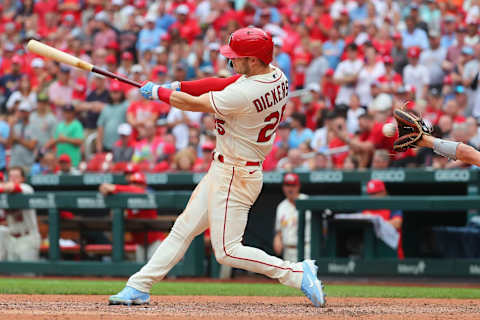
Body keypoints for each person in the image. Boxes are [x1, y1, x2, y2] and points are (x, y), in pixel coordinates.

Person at [109, 27, 325, 308]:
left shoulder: (245, 94)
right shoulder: (275, 76)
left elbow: (196, 104)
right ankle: (139, 285)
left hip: (237, 174)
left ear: (255, 60)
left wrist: (161, 94)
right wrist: (179, 86)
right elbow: (222, 82)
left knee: (227, 251)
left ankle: (295, 273)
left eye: (238, 57)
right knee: (183, 229)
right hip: (226, 168)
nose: (232, 60)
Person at [99, 172, 165, 262]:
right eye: (133, 183)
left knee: (154, 269)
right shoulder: (127, 201)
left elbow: (137, 191)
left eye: (138, 184)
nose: (135, 186)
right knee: (141, 271)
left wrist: (115, 188)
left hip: (155, 241)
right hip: (140, 243)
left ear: (144, 186)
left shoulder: (147, 194)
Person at [0, 167, 41, 261]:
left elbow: (12, 187)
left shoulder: (26, 188)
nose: (13, 179)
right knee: (14, 274)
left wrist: (3, 186)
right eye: (11, 176)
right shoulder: (5, 195)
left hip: (27, 238)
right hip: (12, 238)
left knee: (27, 274)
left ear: (23, 179)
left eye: (16, 177)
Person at [273, 173, 311, 263]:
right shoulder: (281, 206)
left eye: (293, 185)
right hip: (288, 251)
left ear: (298, 186)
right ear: (283, 187)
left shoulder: (307, 201)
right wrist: (277, 238)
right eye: (287, 185)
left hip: (306, 250)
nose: (290, 189)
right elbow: (279, 231)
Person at [363, 179, 404, 259]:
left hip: (392, 254)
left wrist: (374, 220)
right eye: (370, 194)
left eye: (375, 193)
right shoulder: (365, 208)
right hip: (370, 255)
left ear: (383, 192)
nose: (372, 197)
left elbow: (397, 223)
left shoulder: (392, 205)